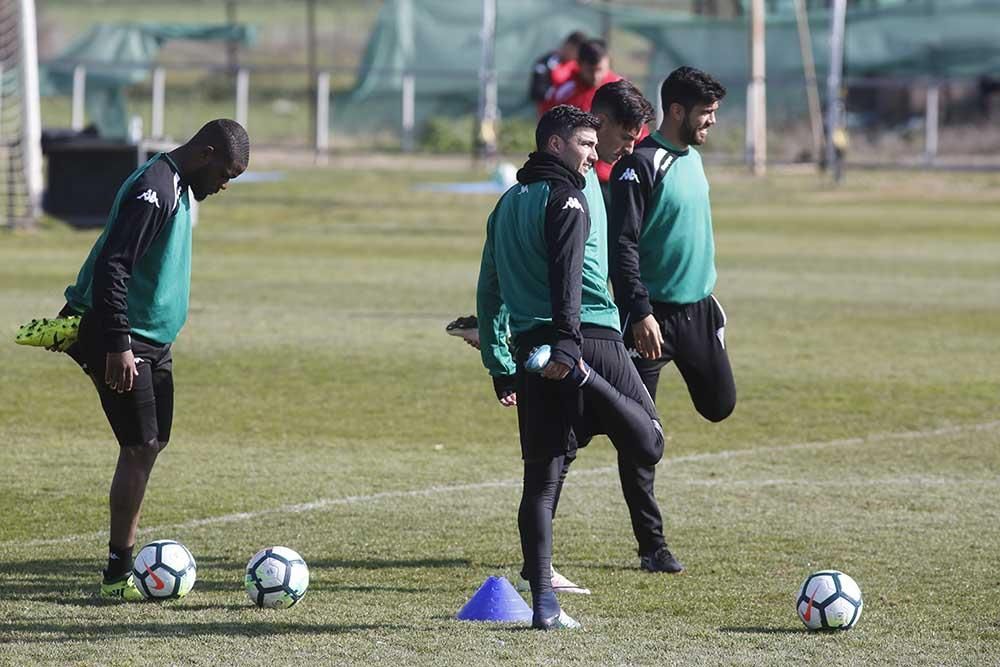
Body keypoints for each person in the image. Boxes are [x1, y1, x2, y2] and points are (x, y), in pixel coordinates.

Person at [477, 105, 665, 630]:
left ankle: (544, 607)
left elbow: (489, 290)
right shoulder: (569, 197)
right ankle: (589, 381)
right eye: (585, 144)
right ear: (555, 145)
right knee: (650, 442)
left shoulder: (506, 203)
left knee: (540, 483)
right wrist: (571, 349)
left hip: (533, 352)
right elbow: (566, 274)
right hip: (587, 341)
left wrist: (501, 364)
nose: (592, 154)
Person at [55, 119, 249, 600]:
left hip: (153, 340)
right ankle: (118, 574)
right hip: (126, 338)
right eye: (225, 174)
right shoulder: (155, 189)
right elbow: (114, 264)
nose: (223, 186)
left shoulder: (179, 184)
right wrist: (117, 342)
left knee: (155, 440)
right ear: (205, 153)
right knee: (139, 446)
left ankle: (72, 329)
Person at [608, 68, 736, 532]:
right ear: (677, 111)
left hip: (699, 311)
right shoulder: (639, 164)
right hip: (649, 319)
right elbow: (620, 246)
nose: (712, 122)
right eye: (707, 113)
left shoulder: (692, 158)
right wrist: (640, 311)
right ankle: (652, 545)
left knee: (720, 406)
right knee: (640, 439)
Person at [540, 39, 629, 184]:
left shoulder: (620, 89)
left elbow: (636, 131)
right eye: (590, 70)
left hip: (613, 174)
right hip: (572, 173)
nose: (595, 76)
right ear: (579, 65)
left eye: (600, 70)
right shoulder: (565, 91)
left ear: (608, 64)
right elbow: (548, 126)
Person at [529, 31, 587, 111]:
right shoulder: (547, 63)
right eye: (574, 50)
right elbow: (536, 92)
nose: (576, 55)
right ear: (567, 45)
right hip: (549, 113)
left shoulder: (579, 67)